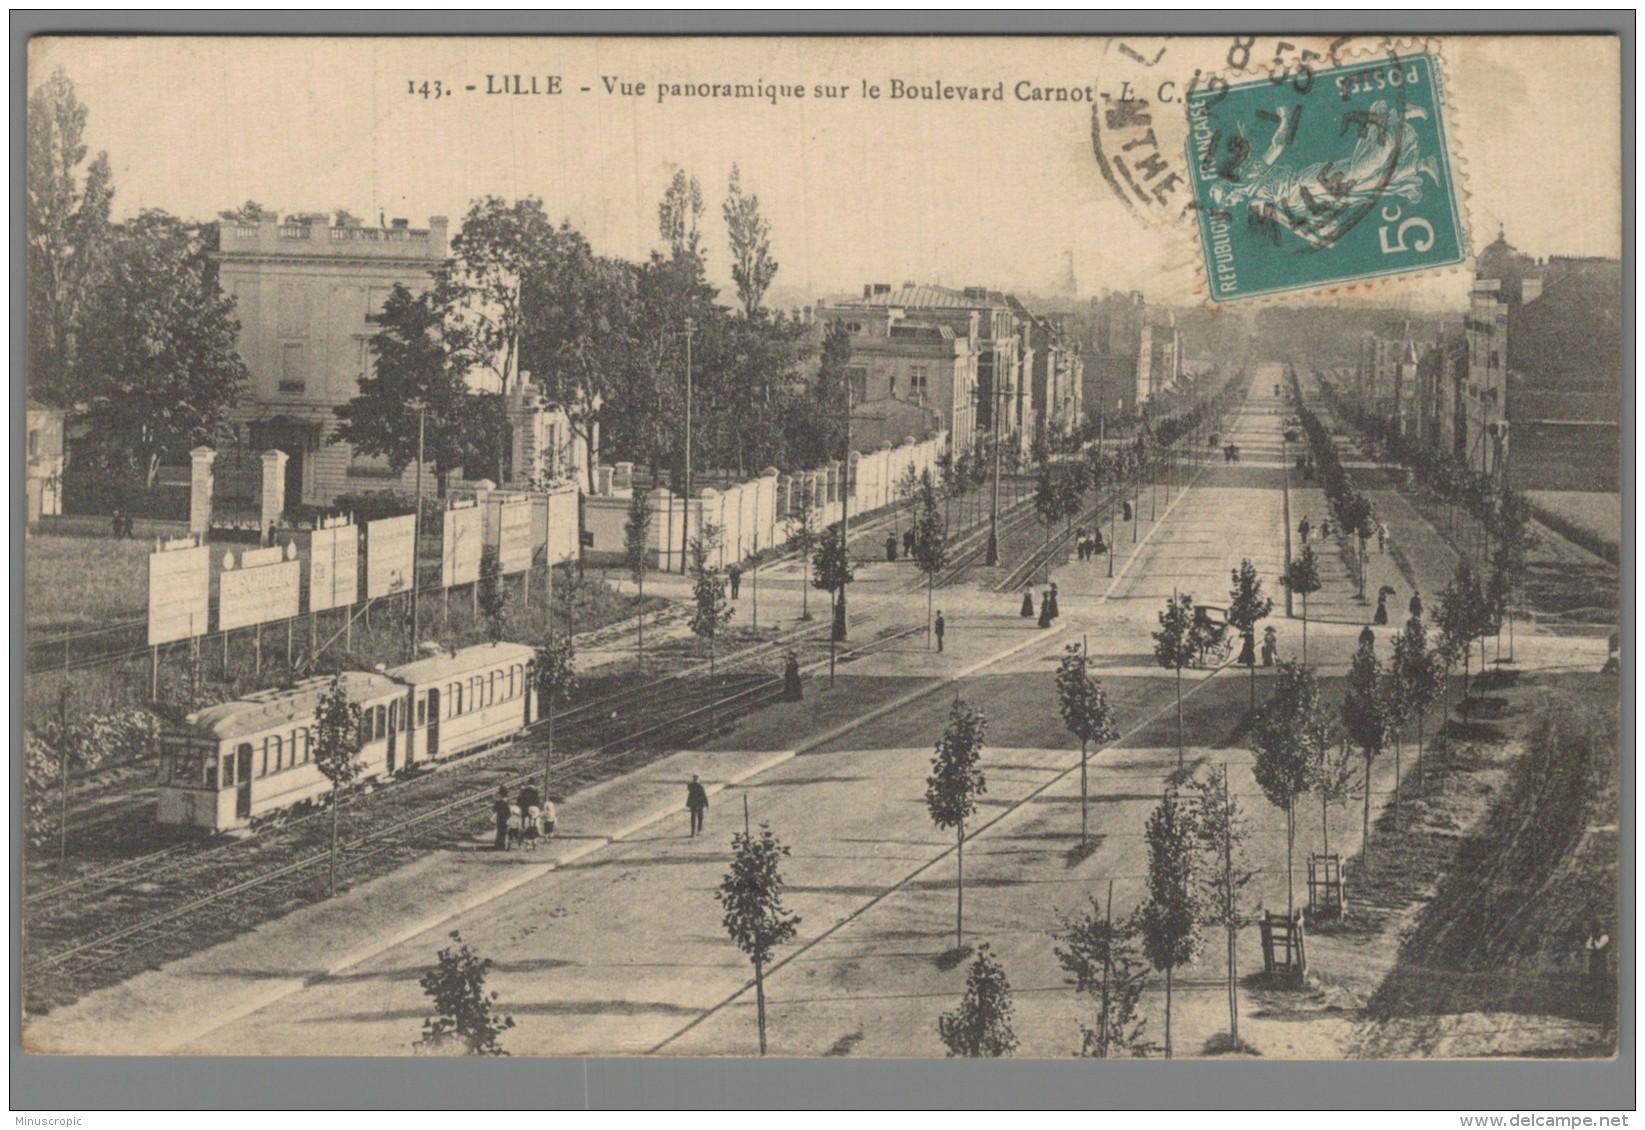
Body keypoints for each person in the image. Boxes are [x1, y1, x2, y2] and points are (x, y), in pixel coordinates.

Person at [491, 786, 513, 852]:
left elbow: (494, 809)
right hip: (505, 819)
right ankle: (501, 846)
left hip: (499, 818)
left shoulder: (498, 802)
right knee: (503, 832)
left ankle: (498, 845)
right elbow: (508, 812)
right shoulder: (506, 803)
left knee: (499, 832)